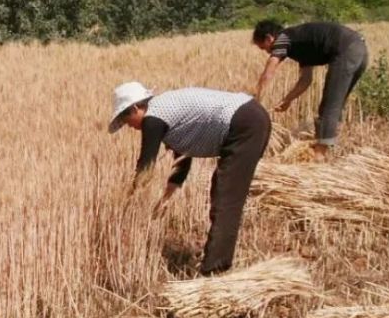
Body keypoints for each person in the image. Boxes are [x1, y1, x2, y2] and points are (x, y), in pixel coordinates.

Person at [108, 81, 271, 275]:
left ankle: (214, 269)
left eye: (127, 121)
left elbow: (146, 167)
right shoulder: (166, 114)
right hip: (249, 117)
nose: (129, 126)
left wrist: (127, 204)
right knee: (222, 190)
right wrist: (165, 200)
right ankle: (216, 262)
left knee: (226, 198)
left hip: (245, 123)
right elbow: (182, 162)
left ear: (135, 108)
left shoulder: (153, 119)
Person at [251, 20, 369, 156]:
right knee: (336, 103)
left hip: (347, 49)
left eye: (263, 48)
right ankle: (330, 149)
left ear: (269, 38)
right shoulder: (300, 45)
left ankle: (320, 155)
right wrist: (288, 100)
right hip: (360, 49)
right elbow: (305, 80)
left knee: (329, 107)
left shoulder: (283, 38)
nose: (267, 52)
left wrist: (256, 98)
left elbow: (269, 71)